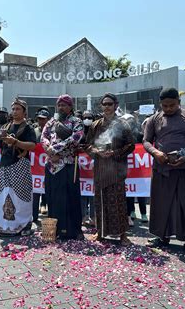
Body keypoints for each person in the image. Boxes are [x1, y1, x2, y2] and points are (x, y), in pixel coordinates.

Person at [143, 88, 185, 253]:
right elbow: (146, 142)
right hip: (161, 167)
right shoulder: (153, 119)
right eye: (165, 106)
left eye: (172, 105)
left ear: (179, 102)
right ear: (160, 104)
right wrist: (156, 153)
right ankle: (161, 237)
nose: (168, 108)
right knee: (161, 203)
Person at [86, 93, 134, 246]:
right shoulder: (95, 125)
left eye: (109, 104)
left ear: (115, 106)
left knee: (118, 202)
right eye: (104, 104)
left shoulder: (122, 124)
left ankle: (123, 235)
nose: (107, 107)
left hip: (116, 170)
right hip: (100, 169)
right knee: (100, 202)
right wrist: (97, 151)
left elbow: (130, 145)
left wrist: (115, 153)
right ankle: (100, 233)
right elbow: (87, 145)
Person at [41, 94, 84, 240]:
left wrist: (55, 149)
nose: (61, 107)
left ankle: (74, 231)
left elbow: (75, 138)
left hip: (68, 165)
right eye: (59, 105)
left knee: (70, 199)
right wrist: (49, 150)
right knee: (53, 198)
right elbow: (43, 137)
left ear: (70, 107)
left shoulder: (76, 122)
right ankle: (55, 230)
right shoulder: (51, 122)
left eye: (64, 105)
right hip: (52, 166)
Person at [0, 99, 36, 236]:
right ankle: (1, 225)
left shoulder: (28, 128)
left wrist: (15, 142)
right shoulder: (5, 126)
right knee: (1, 195)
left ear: (24, 112)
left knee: (21, 195)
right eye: (13, 109)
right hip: (4, 165)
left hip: (20, 165)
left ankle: (23, 225)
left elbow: (32, 145)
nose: (15, 111)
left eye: (18, 109)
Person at [32, 107, 50, 220]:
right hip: (35, 166)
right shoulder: (34, 131)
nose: (41, 121)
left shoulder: (52, 131)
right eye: (39, 119)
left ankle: (45, 208)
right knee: (35, 191)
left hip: (48, 164)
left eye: (43, 119)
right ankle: (33, 216)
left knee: (47, 190)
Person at [80, 110, 96, 226]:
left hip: (94, 166)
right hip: (81, 168)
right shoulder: (80, 132)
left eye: (89, 117)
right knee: (83, 194)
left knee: (92, 194)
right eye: (85, 117)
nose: (87, 119)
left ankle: (93, 216)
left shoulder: (97, 131)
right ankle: (83, 216)